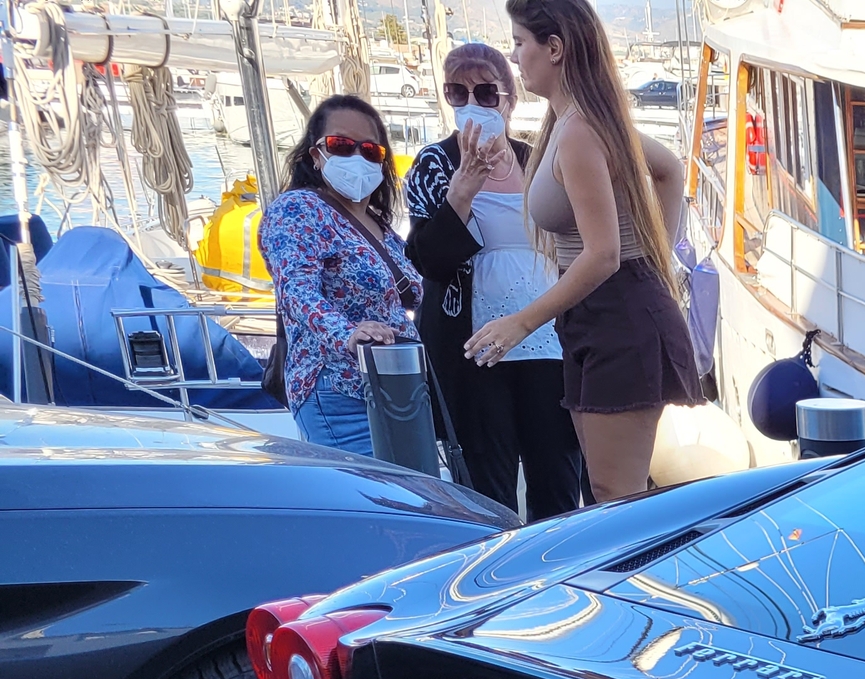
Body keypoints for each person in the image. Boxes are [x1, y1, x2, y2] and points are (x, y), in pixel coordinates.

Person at [466, 0, 696, 501]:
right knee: (605, 489)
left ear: (554, 48)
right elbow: (669, 170)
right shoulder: (575, 121)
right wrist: (660, 263)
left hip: (619, 314)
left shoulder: (580, 130)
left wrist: (519, 323)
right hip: (600, 315)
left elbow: (603, 254)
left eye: (520, 43)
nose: (514, 56)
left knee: (617, 492)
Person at [405, 42, 584, 517]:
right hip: (475, 348)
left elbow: (576, 242)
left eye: (485, 93)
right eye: (456, 93)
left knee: (558, 476)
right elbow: (430, 263)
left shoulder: (539, 158)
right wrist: (461, 192)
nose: (471, 104)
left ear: (509, 100)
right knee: (488, 485)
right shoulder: (434, 165)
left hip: (548, 338)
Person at [258, 96, 419, 456]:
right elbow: (297, 291)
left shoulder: (380, 226)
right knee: (371, 503)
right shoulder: (297, 210)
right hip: (337, 389)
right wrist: (348, 334)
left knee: (406, 503)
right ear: (315, 154)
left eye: (370, 150)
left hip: (393, 387)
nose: (356, 157)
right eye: (341, 145)